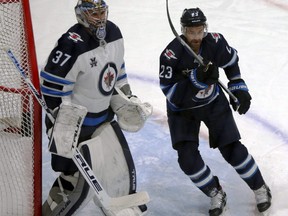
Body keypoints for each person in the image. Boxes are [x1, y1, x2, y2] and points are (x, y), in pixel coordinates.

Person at [41, 0, 151, 215]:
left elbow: (118, 69)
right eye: (93, 13)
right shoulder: (71, 44)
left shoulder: (114, 32)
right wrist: (61, 126)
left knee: (118, 171)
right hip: (76, 126)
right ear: (81, 15)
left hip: (104, 120)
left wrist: (124, 98)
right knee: (74, 181)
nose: (99, 17)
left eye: (102, 11)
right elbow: (52, 89)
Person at [159, 7, 272, 216]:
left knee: (233, 150)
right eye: (191, 32)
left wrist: (238, 86)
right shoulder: (170, 54)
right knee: (187, 159)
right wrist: (196, 79)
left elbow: (231, 62)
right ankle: (215, 191)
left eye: (199, 31)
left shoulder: (216, 42)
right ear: (183, 30)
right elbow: (172, 94)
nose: (196, 36)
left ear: (205, 28)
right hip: (182, 111)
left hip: (212, 104)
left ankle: (260, 187)